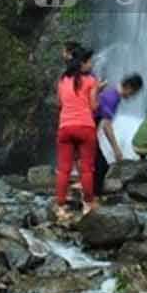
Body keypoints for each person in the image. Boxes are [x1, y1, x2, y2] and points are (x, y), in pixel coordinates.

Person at [55, 47, 100, 221]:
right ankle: (88, 205)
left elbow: (60, 102)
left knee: (63, 170)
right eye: (89, 61)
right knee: (87, 169)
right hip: (85, 127)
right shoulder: (90, 80)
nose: (92, 64)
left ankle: (60, 207)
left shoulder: (62, 80)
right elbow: (94, 106)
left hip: (65, 127)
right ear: (82, 63)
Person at [93, 73, 142, 194]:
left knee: (98, 165)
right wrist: (116, 149)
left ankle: (91, 193)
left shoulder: (110, 94)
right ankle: (93, 197)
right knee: (101, 167)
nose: (131, 97)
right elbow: (106, 125)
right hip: (84, 131)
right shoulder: (112, 98)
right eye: (133, 94)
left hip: (85, 130)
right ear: (129, 88)